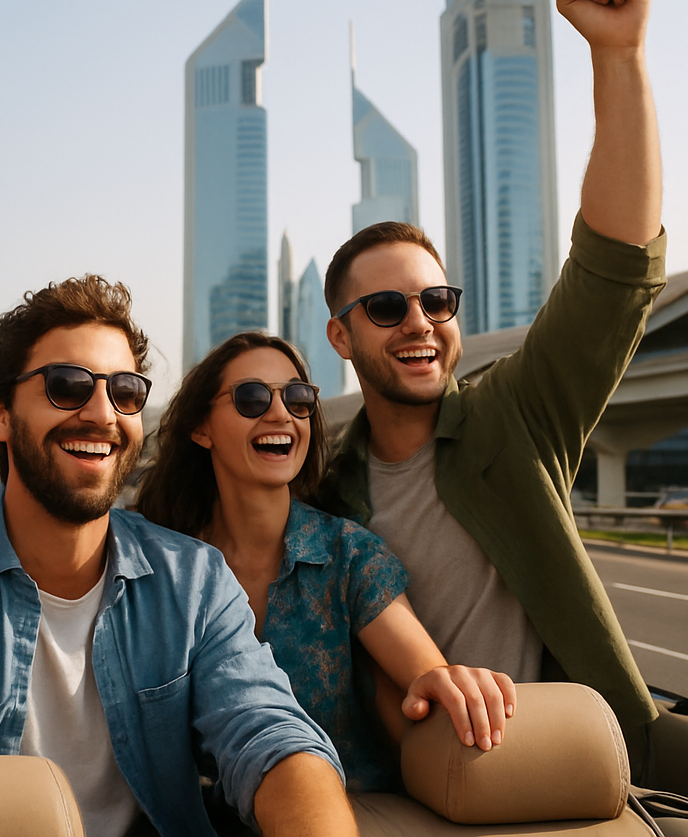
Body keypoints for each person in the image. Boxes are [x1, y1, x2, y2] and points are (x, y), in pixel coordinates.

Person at [0, 277, 355, 837]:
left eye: (126, 392)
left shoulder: (193, 582)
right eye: (67, 386)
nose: (102, 413)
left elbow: (268, 733)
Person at [317, 0, 664, 767]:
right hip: (419, 782)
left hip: (568, 762)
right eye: (387, 307)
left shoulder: (516, 415)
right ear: (341, 336)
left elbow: (614, 268)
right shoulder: (327, 496)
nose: (420, 324)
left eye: (438, 302)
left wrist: (619, 57)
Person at [136, 332, 515, 794]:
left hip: (346, 814)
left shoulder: (349, 556)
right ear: (201, 427)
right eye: (252, 397)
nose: (280, 414)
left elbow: (427, 682)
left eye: (297, 399)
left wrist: (452, 684)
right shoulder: (158, 564)